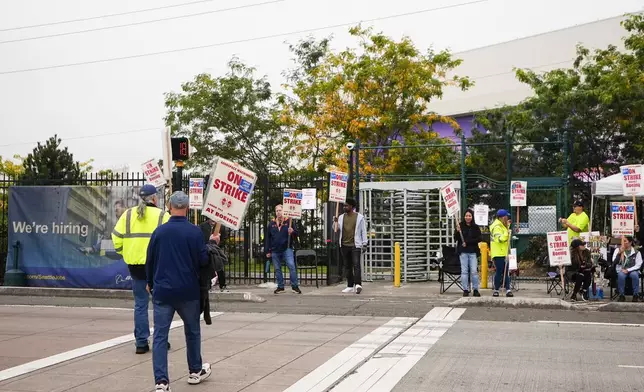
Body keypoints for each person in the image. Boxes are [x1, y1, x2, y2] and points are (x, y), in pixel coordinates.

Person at [146, 191, 212, 391]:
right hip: (188, 290)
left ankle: (161, 382)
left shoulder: (159, 232)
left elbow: (150, 260)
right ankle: (194, 370)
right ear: (188, 208)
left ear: (169, 206)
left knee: (160, 335)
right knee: (192, 331)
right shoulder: (194, 232)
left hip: (163, 291)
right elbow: (203, 261)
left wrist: (150, 282)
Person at [111, 184, 170, 354]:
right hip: (157, 267)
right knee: (160, 304)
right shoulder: (162, 215)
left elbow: (116, 237)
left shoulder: (128, 215)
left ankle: (141, 343)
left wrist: (125, 253)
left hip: (136, 266)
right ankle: (161, 340)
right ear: (154, 198)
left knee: (140, 305)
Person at [265, 205, 302, 294]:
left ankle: (295, 286)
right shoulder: (272, 224)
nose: (278, 212)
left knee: (291, 266)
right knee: (277, 269)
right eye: (277, 210)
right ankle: (280, 287)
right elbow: (268, 238)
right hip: (275, 250)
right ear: (275, 212)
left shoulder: (289, 221)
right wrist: (268, 251)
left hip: (287, 248)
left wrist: (292, 231)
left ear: (283, 211)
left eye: (280, 210)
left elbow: (297, 234)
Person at [337, 197, 368, 294]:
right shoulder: (341, 217)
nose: (344, 207)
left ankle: (358, 284)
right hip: (344, 245)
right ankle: (350, 285)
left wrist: (365, 243)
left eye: (346, 205)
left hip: (355, 244)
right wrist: (335, 221)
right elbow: (336, 229)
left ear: (351, 206)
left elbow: (363, 231)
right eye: (344, 205)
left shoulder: (359, 217)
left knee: (356, 265)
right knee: (347, 266)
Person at [454, 209, 482, 297]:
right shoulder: (460, 225)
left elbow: (479, 238)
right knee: (464, 271)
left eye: (469, 216)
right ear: (464, 216)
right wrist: (457, 231)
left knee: (474, 271)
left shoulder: (475, 227)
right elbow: (455, 238)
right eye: (466, 216)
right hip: (463, 252)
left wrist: (468, 242)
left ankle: (475, 289)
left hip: (473, 252)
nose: (468, 217)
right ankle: (465, 289)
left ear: (472, 217)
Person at [200, 217, 228, 292]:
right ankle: (208, 284)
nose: (213, 221)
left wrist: (218, 244)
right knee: (208, 267)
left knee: (219, 266)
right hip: (206, 248)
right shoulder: (203, 226)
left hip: (216, 249)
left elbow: (224, 238)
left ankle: (222, 284)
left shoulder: (220, 226)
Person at [490, 209, 513, 297]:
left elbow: (504, 231)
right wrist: (507, 233)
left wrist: (508, 226)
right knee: (500, 272)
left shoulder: (501, 225)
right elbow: (500, 239)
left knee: (506, 272)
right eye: (506, 217)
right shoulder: (496, 227)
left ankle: (508, 289)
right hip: (498, 253)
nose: (507, 218)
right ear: (502, 218)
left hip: (504, 252)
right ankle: (496, 290)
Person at [612, 235, 642, 302]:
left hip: (632, 270)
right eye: (623, 241)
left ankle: (635, 295)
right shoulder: (618, 250)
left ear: (630, 242)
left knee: (634, 275)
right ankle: (621, 295)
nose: (624, 243)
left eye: (625, 241)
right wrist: (619, 253)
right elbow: (614, 262)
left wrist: (628, 270)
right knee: (621, 275)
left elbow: (638, 264)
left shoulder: (636, 252)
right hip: (622, 270)